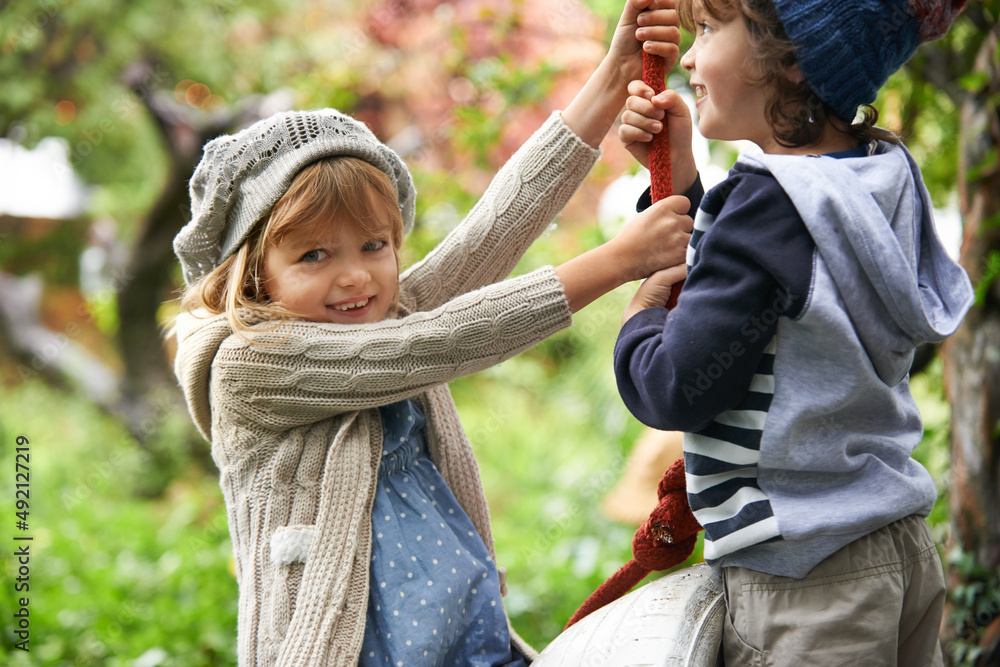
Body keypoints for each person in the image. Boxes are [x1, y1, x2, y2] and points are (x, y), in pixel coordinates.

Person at [169, 1, 697, 664]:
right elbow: (441, 341)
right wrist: (616, 260)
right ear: (252, 275)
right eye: (313, 255)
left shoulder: (380, 313)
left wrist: (613, 74)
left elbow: (491, 233)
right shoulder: (251, 367)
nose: (354, 278)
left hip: (468, 640)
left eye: (373, 244)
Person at [612, 0, 973, 664]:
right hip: (892, 546)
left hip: (808, 586)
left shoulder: (767, 205)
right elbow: (780, 291)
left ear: (793, 60)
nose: (689, 56)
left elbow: (677, 384)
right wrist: (682, 183)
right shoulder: (879, 173)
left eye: (711, 29)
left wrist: (640, 319)